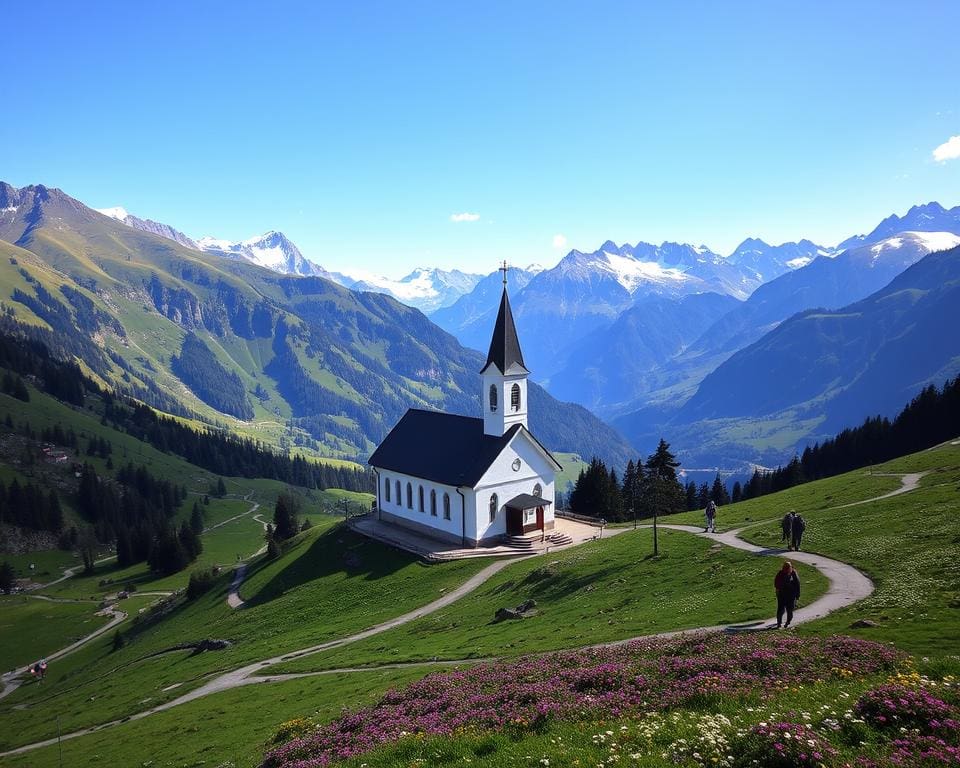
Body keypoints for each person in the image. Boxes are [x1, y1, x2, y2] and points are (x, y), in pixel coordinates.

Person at [774, 561, 801, 628]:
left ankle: (787, 622)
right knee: (781, 609)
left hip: (791, 595)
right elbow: (776, 583)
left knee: (789, 610)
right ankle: (779, 623)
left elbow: (797, 585)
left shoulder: (793, 574)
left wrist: (797, 595)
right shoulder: (780, 573)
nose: (786, 569)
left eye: (788, 568)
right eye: (785, 568)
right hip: (782, 595)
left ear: (791, 567)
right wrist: (779, 589)